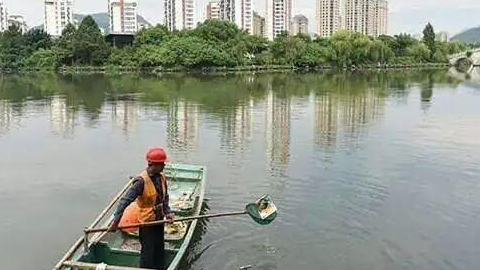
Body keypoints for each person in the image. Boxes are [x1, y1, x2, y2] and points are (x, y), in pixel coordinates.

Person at [109, 147, 174, 269]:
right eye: (162, 164)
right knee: (148, 253)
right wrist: (116, 221)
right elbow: (125, 201)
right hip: (147, 223)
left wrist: (168, 212)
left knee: (159, 248)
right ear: (153, 164)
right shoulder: (141, 181)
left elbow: (165, 197)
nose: (164, 166)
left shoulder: (162, 177)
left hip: (159, 220)